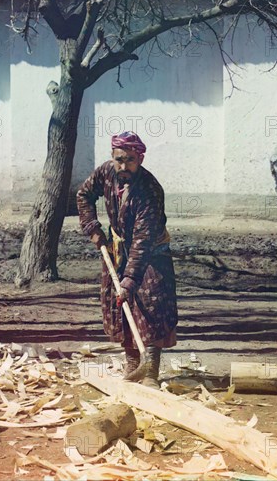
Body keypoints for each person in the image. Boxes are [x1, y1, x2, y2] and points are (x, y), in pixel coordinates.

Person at [76, 131, 178, 388]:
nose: (124, 166)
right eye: (119, 159)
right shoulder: (106, 173)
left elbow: (143, 241)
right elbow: (83, 195)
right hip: (118, 249)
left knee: (151, 309)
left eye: (130, 160)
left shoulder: (149, 191)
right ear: (112, 157)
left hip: (152, 254)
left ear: (140, 159)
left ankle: (151, 373)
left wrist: (130, 280)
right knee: (121, 308)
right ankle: (133, 366)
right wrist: (92, 227)